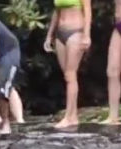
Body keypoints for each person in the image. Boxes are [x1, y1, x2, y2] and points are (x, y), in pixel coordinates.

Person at [44, 0, 91, 128]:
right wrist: (49, 35)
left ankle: (68, 117)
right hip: (60, 32)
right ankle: (73, 115)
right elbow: (57, 11)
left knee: (70, 75)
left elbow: (87, 10)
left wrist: (87, 35)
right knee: (67, 76)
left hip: (76, 31)